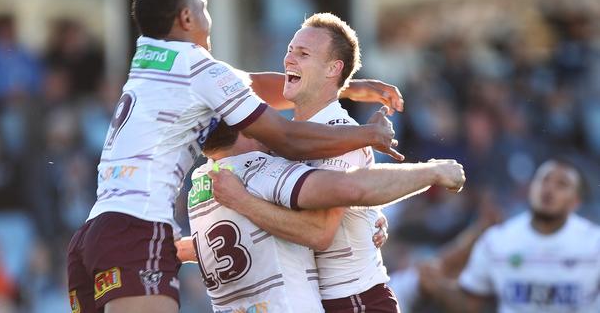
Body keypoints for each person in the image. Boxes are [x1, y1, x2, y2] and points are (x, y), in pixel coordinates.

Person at [67, 0, 405, 313]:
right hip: (137, 224)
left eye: (302, 54)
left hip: (93, 233)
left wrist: (346, 87)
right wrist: (368, 134)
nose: (208, 19)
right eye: (204, 8)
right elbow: (287, 138)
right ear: (187, 17)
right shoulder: (198, 68)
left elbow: (251, 84)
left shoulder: (152, 61)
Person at [210, 12, 405, 312]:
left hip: (355, 303)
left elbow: (320, 233)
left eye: (303, 53)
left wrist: (240, 200)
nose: (289, 59)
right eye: (289, 50)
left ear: (333, 69)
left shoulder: (343, 136)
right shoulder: (285, 137)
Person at [184, 120, 465, 312]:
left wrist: (360, 220)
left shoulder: (200, 182)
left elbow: (214, 244)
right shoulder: (259, 170)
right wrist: (432, 172)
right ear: (247, 127)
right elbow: (349, 191)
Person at [427, 159, 600, 312]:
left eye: (562, 184)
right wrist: (437, 287)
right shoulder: (497, 240)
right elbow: (471, 303)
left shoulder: (595, 243)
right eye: (543, 180)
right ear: (530, 188)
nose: (549, 189)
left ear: (576, 201)